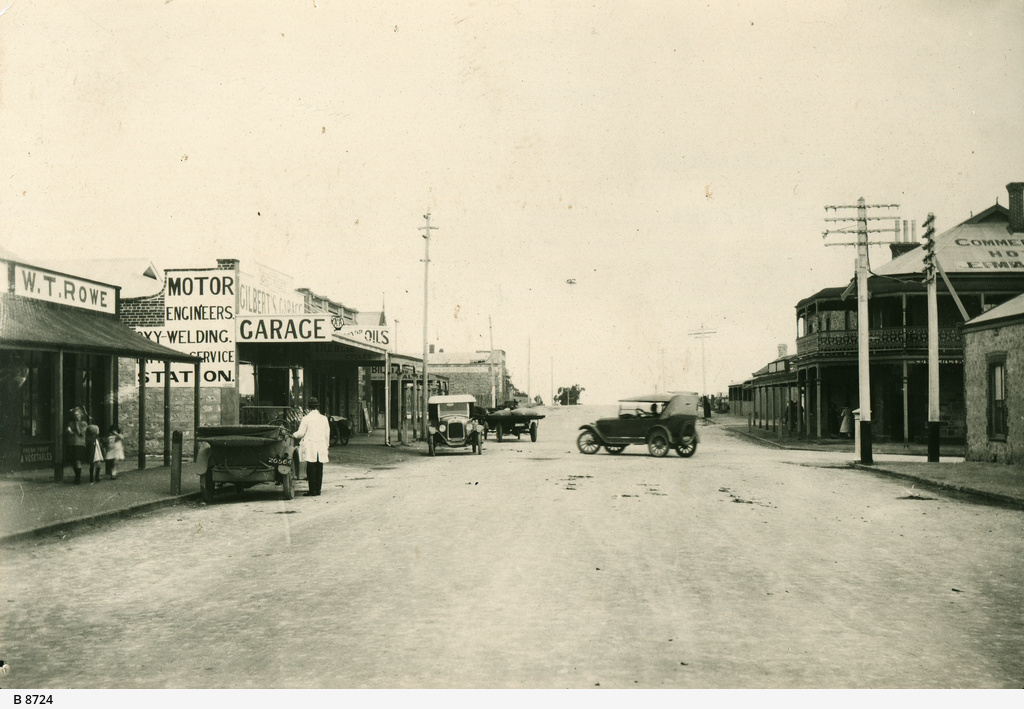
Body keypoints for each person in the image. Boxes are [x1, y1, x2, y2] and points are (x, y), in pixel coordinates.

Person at [293, 397, 330, 497]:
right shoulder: (324, 418)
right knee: (319, 467)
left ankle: (312, 490)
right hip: (321, 445)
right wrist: (326, 445)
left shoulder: (306, 419)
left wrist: (293, 435)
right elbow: (327, 434)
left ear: (308, 408)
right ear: (317, 407)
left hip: (310, 446)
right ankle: (318, 490)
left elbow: (300, 433)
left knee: (311, 468)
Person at [66, 406, 88, 485]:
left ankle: (78, 479)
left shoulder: (84, 423)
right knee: (73, 461)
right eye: (75, 415)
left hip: (79, 444)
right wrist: (69, 431)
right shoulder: (70, 423)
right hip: (71, 443)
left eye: (78, 414)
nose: (76, 416)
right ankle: (76, 476)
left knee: (77, 460)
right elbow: (68, 430)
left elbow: (80, 433)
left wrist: (76, 424)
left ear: (81, 414)